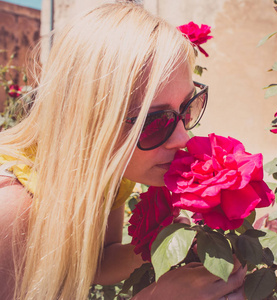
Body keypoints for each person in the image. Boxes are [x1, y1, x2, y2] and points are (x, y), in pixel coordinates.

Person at [0, 2, 246, 299]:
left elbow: (98, 262)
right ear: (89, 121)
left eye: (186, 109)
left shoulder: (111, 173)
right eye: (155, 121)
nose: (183, 137)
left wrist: (167, 247)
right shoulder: (12, 207)